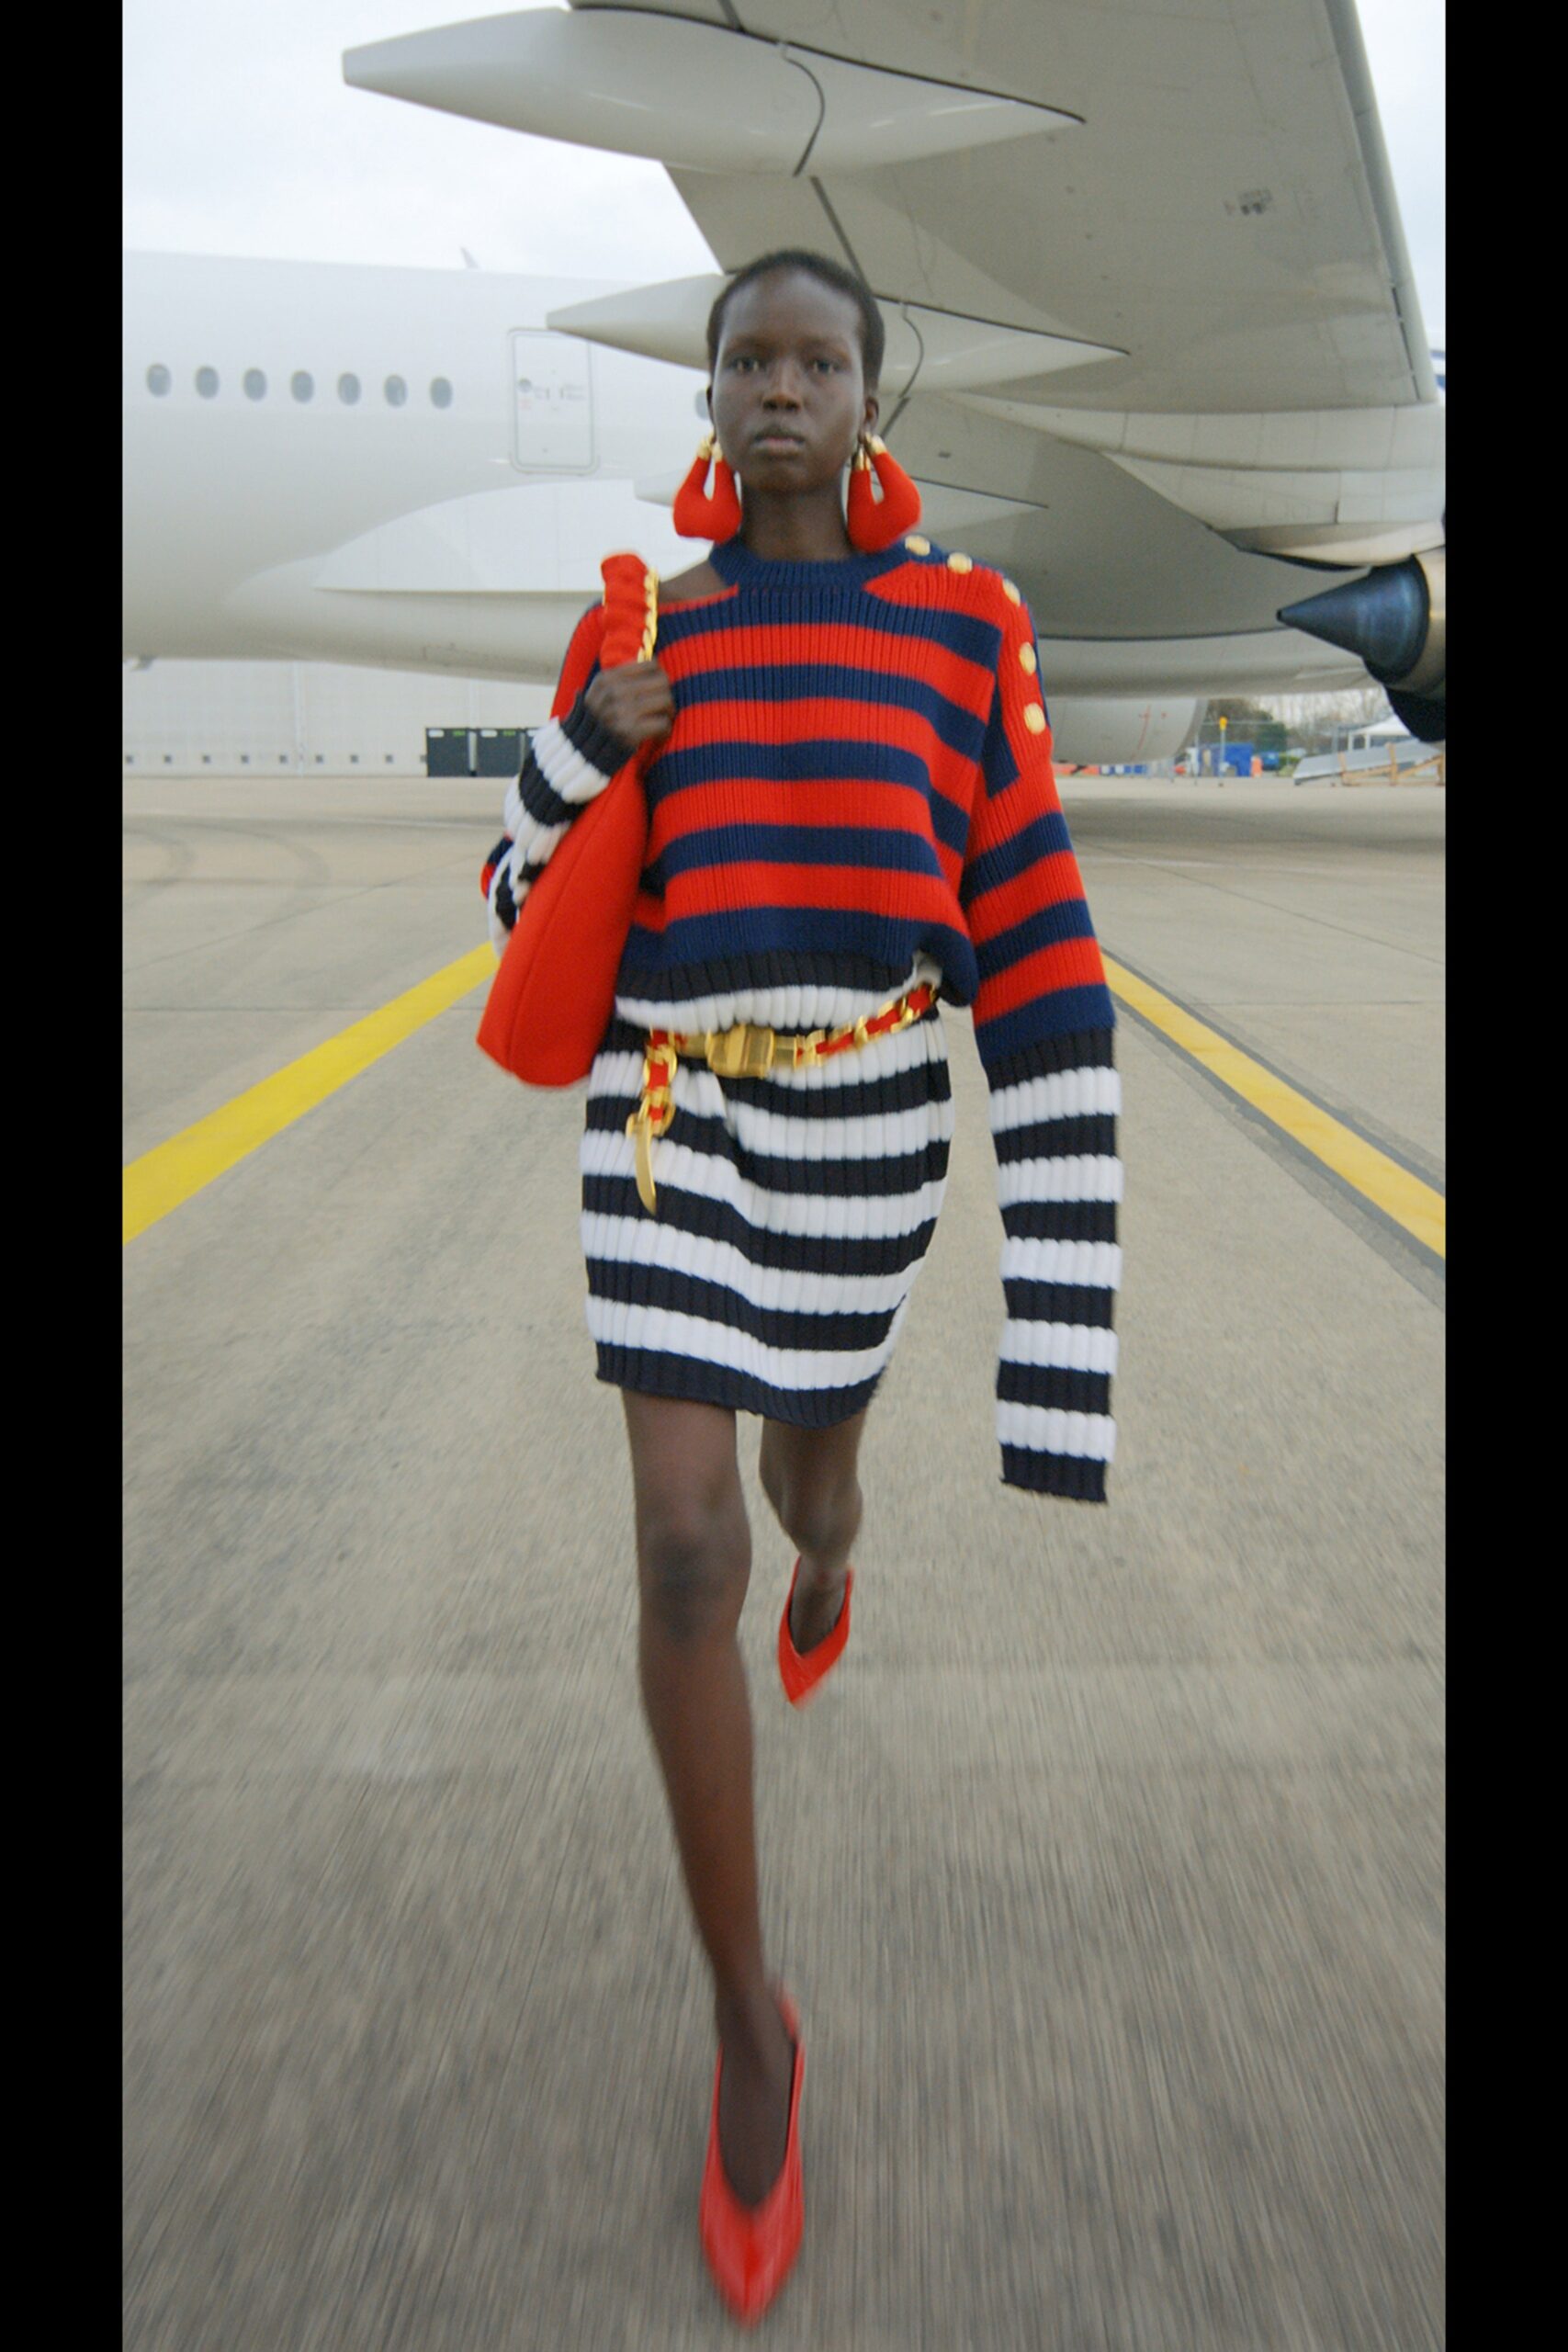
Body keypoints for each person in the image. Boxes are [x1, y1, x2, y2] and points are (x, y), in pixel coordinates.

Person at [483, 249, 1120, 2323]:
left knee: (794, 1499)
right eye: (745, 359)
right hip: (668, 1126)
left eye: (813, 361)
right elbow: (509, 889)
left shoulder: (959, 628)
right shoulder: (634, 627)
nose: (776, 390)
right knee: (681, 1561)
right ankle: (750, 2028)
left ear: (866, 397)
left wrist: (1060, 1353)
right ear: (708, 393)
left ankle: (834, 1559)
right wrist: (588, 740)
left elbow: (1031, 956)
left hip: (863, 1139)